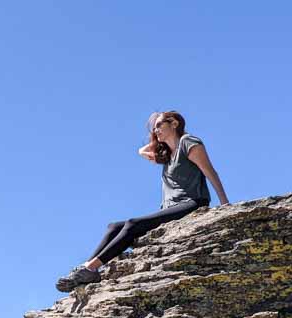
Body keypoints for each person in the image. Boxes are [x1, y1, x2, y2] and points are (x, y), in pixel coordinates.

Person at [56, 110, 231, 292]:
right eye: (153, 129)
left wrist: (224, 204)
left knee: (133, 224)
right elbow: (142, 151)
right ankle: (85, 269)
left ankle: (91, 267)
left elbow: (210, 172)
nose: (155, 131)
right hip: (173, 207)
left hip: (193, 202)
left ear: (175, 124)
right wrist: (158, 137)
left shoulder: (188, 143)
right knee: (113, 227)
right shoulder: (166, 155)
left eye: (159, 125)